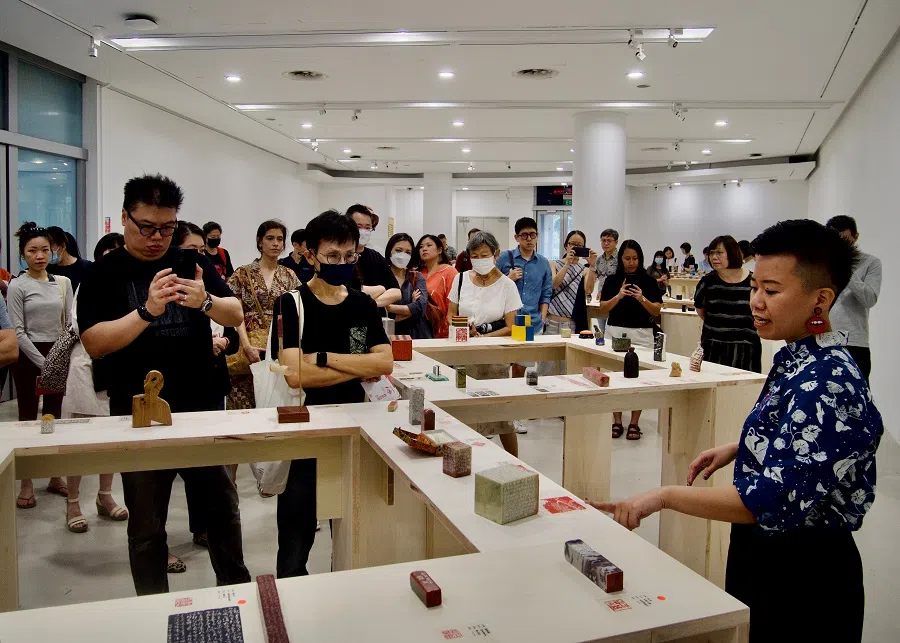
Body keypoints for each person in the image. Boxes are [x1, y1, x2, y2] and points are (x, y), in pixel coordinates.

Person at [591, 220, 883, 643]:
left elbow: (767, 501)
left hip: (803, 573)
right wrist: (738, 446)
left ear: (821, 299)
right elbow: (799, 437)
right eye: (755, 288)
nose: (756, 302)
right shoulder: (797, 356)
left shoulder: (828, 381)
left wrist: (664, 495)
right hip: (764, 555)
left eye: (772, 291)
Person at [77, 174, 249, 596]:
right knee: (147, 523)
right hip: (140, 415)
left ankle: (235, 595)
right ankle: (151, 608)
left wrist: (205, 301)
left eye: (167, 228)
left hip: (203, 407)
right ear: (124, 217)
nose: (157, 238)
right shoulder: (104, 273)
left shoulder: (192, 261)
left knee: (222, 512)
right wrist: (148, 310)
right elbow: (95, 342)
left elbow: (235, 313)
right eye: (146, 227)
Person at [271, 210, 393, 578]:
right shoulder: (291, 305)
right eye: (332, 257)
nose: (341, 264)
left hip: (357, 424)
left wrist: (323, 358)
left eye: (349, 256)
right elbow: (295, 376)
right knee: (298, 526)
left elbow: (383, 363)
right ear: (310, 254)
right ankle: (291, 596)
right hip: (306, 427)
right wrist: (355, 363)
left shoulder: (362, 304)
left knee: (354, 520)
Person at [170, 221, 240, 570]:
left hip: (209, 385)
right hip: (166, 392)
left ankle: (203, 529)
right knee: (165, 471)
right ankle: (164, 544)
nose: (197, 256)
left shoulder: (207, 273)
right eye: (189, 250)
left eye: (200, 249)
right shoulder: (161, 282)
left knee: (211, 474)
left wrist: (224, 339)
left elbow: (234, 316)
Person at [9, 222, 73, 509]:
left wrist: (58, 357)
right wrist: (43, 361)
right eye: (32, 250)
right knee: (27, 418)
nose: (39, 256)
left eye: (45, 250)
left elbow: (70, 325)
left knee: (53, 417)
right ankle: (25, 483)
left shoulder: (63, 283)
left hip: (57, 353)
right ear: (23, 254)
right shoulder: (17, 285)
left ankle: (54, 475)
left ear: (53, 251)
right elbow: (18, 331)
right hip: (28, 357)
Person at [448, 231, 523, 455]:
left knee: (501, 417)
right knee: (464, 412)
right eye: (474, 256)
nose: (479, 260)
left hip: (494, 358)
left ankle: (516, 463)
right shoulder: (460, 279)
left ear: (496, 254)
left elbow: (511, 326)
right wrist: (462, 327)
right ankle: (465, 459)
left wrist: (483, 337)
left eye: (484, 254)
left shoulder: (507, 286)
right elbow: (451, 313)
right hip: (463, 356)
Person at [227, 220, 300, 410]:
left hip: (278, 344)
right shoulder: (243, 274)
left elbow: (297, 311)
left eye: (280, 239)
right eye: (270, 238)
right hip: (248, 342)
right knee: (244, 404)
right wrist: (246, 344)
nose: (275, 243)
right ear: (260, 242)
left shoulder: (289, 275)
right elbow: (236, 311)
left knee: (274, 398)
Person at [596, 240, 663, 441]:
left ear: (640, 258)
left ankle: (634, 422)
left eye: (635, 258)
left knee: (639, 378)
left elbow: (657, 310)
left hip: (642, 333)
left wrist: (642, 298)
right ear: (621, 259)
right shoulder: (612, 280)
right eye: (627, 258)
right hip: (616, 331)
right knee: (614, 375)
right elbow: (603, 308)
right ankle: (617, 420)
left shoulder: (650, 281)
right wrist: (619, 295)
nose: (631, 262)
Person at [694, 236, 761, 373]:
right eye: (711, 253)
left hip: (746, 348)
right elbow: (701, 311)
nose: (714, 257)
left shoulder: (753, 281)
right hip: (713, 347)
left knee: (744, 390)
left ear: (732, 253)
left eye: (719, 252)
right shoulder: (707, 282)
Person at [826, 215, 881, 383]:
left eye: (845, 240)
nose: (841, 245)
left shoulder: (870, 263)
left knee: (858, 399)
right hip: (824, 340)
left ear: (856, 237)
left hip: (855, 342)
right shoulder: (824, 263)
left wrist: (847, 270)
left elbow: (869, 299)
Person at [345, 204, 401, 308]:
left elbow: (396, 292)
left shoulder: (376, 257)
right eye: (359, 227)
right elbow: (344, 292)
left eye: (367, 228)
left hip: (373, 320)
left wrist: (369, 305)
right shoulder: (341, 257)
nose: (363, 232)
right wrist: (380, 289)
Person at [547, 230, 597, 332]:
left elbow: (589, 290)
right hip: (551, 321)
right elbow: (554, 284)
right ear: (566, 245)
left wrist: (592, 265)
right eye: (573, 244)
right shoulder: (553, 264)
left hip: (570, 324)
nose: (575, 247)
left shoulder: (585, 270)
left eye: (579, 245)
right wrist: (567, 264)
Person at [385, 233, 433, 339]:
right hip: (387, 335)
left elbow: (420, 308)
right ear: (390, 251)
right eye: (398, 250)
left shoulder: (416, 277)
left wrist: (388, 307)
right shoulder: (380, 276)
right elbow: (377, 312)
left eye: (408, 252)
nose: (402, 255)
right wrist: (411, 307)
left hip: (415, 335)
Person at [415, 234, 458, 338]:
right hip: (419, 330)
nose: (424, 249)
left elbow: (453, 307)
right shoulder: (417, 274)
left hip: (442, 333)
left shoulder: (449, 272)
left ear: (439, 250)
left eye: (429, 245)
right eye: (421, 247)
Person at [588, 228, 619, 332]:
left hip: (616, 299)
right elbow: (595, 278)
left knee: (614, 329)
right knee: (602, 329)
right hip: (601, 298)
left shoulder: (621, 259)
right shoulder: (599, 259)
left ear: (616, 242)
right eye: (603, 240)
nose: (606, 243)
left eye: (609, 240)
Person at [47, 227, 92, 292]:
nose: (48, 252)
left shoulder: (87, 267)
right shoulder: (46, 269)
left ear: (63, 246)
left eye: (50, 246)